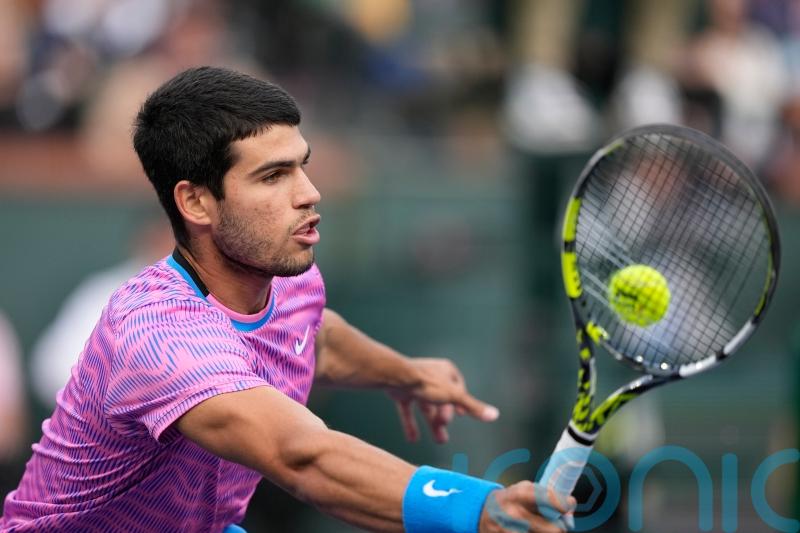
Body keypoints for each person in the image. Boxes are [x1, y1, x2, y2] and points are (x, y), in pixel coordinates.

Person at [0, 67, 572, 532]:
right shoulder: (157, 335)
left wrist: (403, 372)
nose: (309, 193)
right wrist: (477, 510)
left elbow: (314, 336)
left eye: (303, 165)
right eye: (273, 176)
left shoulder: (287, 275)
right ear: (196, 202)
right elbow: (302, 456)